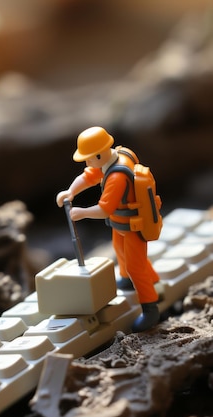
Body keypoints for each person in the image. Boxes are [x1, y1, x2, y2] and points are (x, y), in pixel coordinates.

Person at [56, 126, 160, 332]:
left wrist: (82, 213)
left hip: (133, 226)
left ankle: (150, 308)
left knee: (135, 266)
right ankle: (139, 279)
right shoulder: (114, 157)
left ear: (99, 154)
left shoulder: (116, 177)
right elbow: (88, 177)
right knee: (120, 252)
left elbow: (105, 208)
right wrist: (71, 191)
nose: (86, 162)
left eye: (88, 158)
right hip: (120, 223)